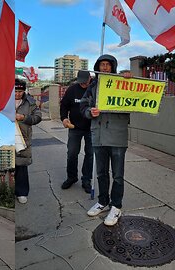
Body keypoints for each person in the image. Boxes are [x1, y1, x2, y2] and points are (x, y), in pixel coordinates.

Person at [80, 54, 130, 226]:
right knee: (101, 172)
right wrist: (89, 112)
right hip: (99, 135)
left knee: (117, 175)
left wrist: (130, 81)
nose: (105, 67)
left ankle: (116, 206)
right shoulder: (92, 86)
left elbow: (137, 97)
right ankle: (103, 201)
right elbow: (83, 106)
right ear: (98, 66)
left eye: (108, 64)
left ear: (113, 67)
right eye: (102, 64)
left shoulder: (123, 83)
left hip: (117, 136)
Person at [60, 70, 93, 194]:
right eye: (81, 83)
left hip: (92, 128)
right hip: (75, 127)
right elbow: (64, 106)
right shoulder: (72, 90)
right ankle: (71, 177)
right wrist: (64, 118)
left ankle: (86, 180)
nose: (83, 85)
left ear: (90, 78)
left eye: (85, 82)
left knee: (90, 155)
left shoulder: (96, 88)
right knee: (72, 153)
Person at [14, 79, 42, 204]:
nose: (17, 94)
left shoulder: (29, 102)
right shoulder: (5, 101)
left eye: (20, 91)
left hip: (23, 137)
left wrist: (24, 118)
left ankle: (22, 192)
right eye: (15, 91)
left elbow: (38, 117)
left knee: (21, 166)